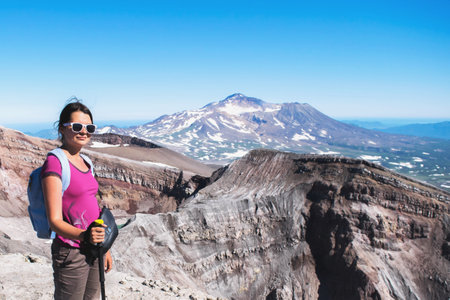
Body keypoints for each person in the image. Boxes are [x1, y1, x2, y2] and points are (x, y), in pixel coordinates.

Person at [41, 99, 112, 300]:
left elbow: (92, 209)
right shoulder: (55, 163)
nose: (83, 132)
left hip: (94, 247)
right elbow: (54, 221)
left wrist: (103, 247)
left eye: (89, 127)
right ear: (62, 129)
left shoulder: (86, 162)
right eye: (77, 126)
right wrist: (85, 237)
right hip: (71, 251)